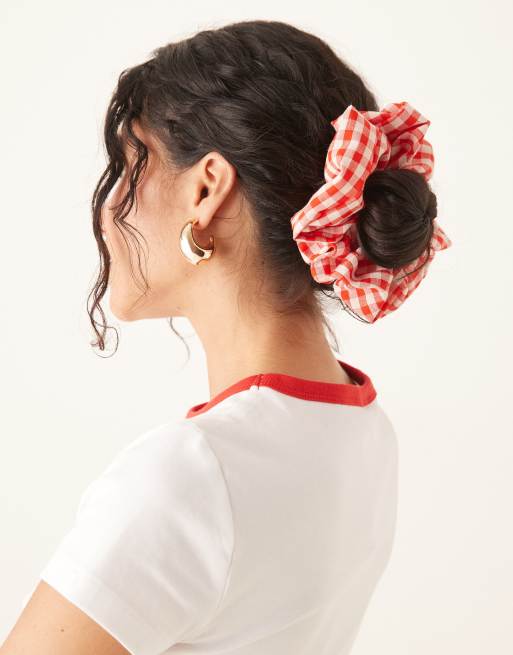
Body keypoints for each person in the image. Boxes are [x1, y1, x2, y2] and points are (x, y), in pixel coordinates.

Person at [2, 18, 451, 655]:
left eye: (131, 166)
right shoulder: (365, 430)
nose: (107, 210)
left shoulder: (188, 476)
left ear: (207, 189)